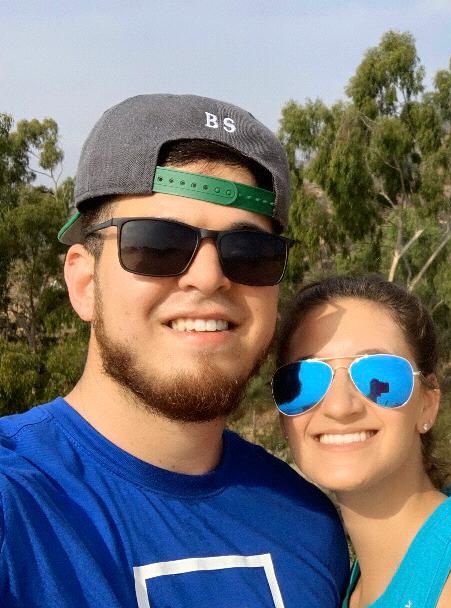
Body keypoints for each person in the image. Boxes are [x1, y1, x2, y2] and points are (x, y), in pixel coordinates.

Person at [0, 94, 349, 607]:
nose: (209, 277)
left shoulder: (310, 525)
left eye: (249, 252)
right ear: (84, 283)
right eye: (158, 244)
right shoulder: (16, 502)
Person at [272, 275, 451, 608]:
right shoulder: (344, 587)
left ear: (427, 404)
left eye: (379, 377)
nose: (340, 406)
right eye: (305, 381)